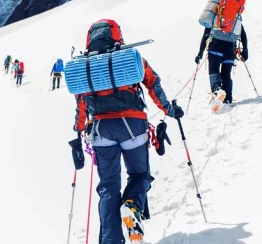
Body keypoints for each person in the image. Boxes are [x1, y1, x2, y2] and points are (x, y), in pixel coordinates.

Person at [69, 19, 183, 244]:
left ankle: (111, 241)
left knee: (108, 187)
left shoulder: (85, 67)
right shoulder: (129, 57)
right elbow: (152, 83)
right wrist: (169, 110)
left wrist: (78, 129)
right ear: (116, 35)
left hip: (101, 130)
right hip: (133, 126)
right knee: (140, 175)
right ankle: (132, 205)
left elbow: (81, 103)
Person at [195, 24, 248, 105]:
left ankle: (217, 90)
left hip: (215, 47)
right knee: (226, 74)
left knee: (214, 71)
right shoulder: (235, 17)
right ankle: (227, 99)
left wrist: (200, 53)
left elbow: (206, 35)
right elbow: (243, 34)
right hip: (230, 49)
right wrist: (245, 51)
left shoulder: (215, 16)